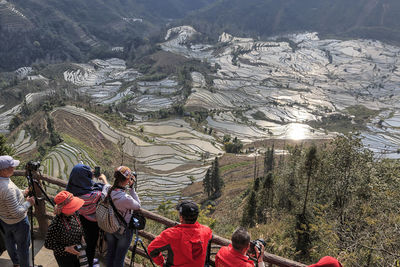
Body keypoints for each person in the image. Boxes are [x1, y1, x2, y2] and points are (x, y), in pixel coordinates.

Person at [147, 200, 213, 267]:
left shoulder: (170, 234)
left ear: (181, 218)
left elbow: (151, 249)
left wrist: (161, 263)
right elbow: (209, 236)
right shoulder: (206, 231)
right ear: (196, 217)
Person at [66, 163, 108, 267]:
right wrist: (104, 180)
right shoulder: (93, 195)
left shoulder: (70, 191)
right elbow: (107, 193)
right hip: (91, 223)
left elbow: (84, 182)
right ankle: (88, 263)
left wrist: (89, 175)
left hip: (78, 219)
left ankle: (82, 261)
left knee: (80, 242)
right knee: (90, 245)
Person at [0, 155, 35, 267]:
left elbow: (9, 195)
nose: (14, 168)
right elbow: (16, 212)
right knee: (23, 247)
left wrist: (22, 193)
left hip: (4, 220)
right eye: (12, 166)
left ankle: (16, 262)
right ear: (4, 170)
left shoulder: (4, 180)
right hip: (18, 222)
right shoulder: (7, 188)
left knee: (9, 241)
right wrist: (29, 203)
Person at [103, 166, 141, 267]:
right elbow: (138, 205)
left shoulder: (108, 190)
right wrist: (132, 189)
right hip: (123, 231)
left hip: (110, 226)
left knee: (110, 253)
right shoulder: (126, 199)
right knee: (119, 258)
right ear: (127, 180)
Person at [44, 191, 85, 267]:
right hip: (64, 256)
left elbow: (79, 226)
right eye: (72, 207)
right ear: (64, 209)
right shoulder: (56, 224)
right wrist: (67, 248)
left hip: (77, 252)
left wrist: (81, 237)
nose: (75, 208)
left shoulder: (74, 214)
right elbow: (48, 244)